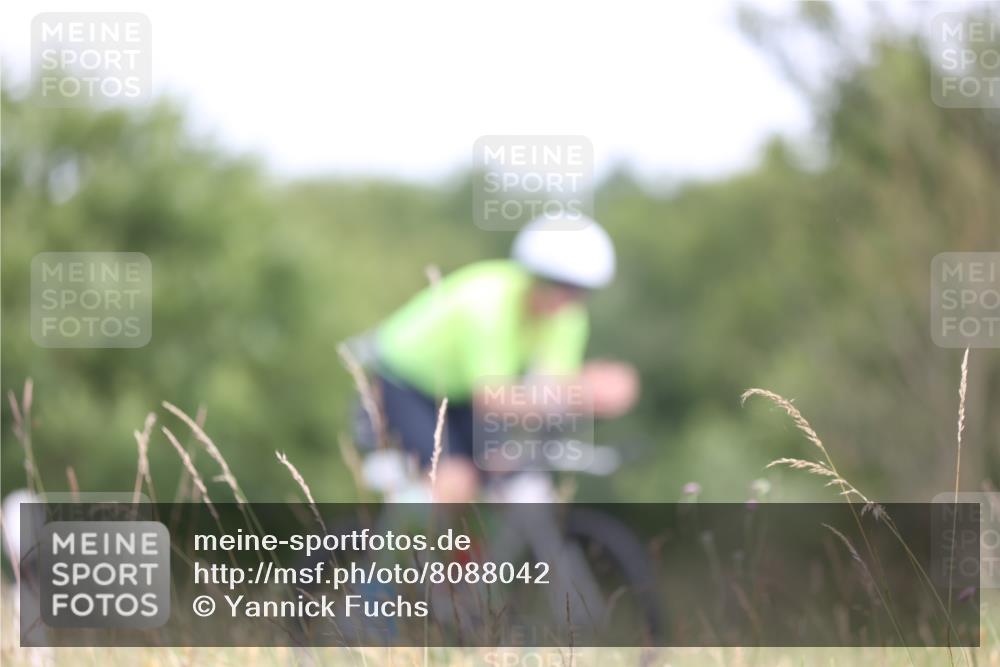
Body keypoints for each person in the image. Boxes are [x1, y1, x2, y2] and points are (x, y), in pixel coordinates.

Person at [364, 214, 639, 502]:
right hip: (407, 383)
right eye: (554, 284)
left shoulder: (570, 318)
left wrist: (592, 393)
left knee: (514, 476)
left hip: (461, 394)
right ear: (529, 274)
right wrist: (582, 391)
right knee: (452, 480)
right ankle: (405, 546)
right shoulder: (487, 304)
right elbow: (492, 398)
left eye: (579, 291)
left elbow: (550, 389)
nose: (564, 299)